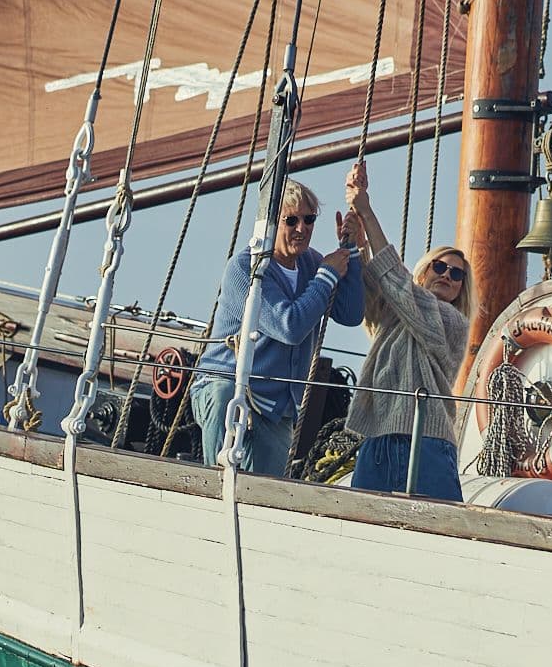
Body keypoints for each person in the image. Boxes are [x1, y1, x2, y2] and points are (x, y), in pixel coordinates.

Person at [190, 179, 363, 475]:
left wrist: (351, 251)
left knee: (267, 493)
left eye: (308, 220)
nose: (302, 228)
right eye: (291, 220)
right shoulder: (246, 268)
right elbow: (290, 326)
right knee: (223, 397)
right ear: (270, 222)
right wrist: (326, 276)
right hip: (228, 390)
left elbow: (350, 313)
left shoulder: (311, 264)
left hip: (274, 408)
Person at [338, 160, 473, 501]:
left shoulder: (451, 322)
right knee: (361, 535)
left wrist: (367, 212)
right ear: (423, 272)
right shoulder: (396, 314)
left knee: (437, 538)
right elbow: (372, 288)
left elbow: (394, 281)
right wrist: (355, 244)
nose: (447, 275)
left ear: (461, 289)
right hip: (378, 439)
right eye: (439, 267)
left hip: (427, 442)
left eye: (456, 275)